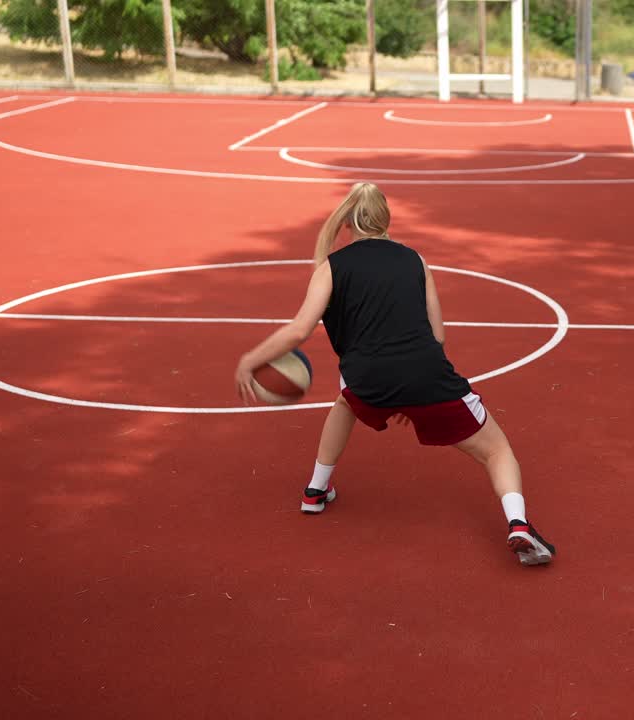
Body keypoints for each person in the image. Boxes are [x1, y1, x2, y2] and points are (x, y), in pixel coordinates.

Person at [234, 183, 555, 566]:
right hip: (424, 374)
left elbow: (299, 330)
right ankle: (518, 524)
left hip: (366, 381)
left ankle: (315, 491)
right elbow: (438, 336)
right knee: (497, 450)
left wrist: (250, 359)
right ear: (386, 220)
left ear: (348, 222)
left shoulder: (330, 267)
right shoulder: (415, 260)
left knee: (346, 400)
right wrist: (414, 392)